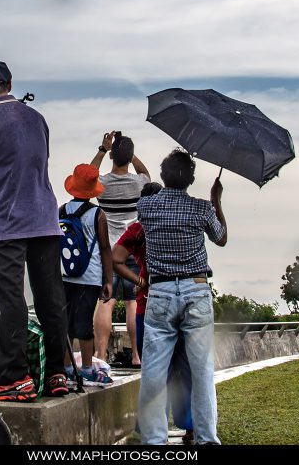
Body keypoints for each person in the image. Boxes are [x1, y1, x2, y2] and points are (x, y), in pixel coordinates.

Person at [0, 58, 70, 400]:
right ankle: (57, 373)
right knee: (51, 298)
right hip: (44, 217)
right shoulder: (37, 119)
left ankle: (13, 376)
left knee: (11, 299)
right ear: (9, 83)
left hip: (6, 223)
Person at [136, 149, 227, 445]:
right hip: (196, 290)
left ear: (163, 176)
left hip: (160, 292)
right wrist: (216, 201)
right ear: (191, 179)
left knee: (153, 373)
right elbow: (221, 237)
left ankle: (153, 440)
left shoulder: (146, 206)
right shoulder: (201, 208)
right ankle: (207, 439)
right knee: (201, 372)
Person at [114, 182, 194, 444]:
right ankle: (190, 425)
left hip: (148, 304)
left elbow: (115, 258)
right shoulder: (172, 224)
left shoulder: (138, 228)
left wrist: (140, 282)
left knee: (153, 372)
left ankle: (147, 427)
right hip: (182, 302)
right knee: (184, 368)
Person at [90, 132, 151, 367]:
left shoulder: (102, 184)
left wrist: (104, 149)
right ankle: (136, 355)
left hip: (109, 249)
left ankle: (101, 354)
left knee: (106, 301)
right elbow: (146, 173)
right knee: (132, 303)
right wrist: (130, 153)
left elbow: (89, 175)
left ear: (113, 157)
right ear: (129, 157)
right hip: (132, 247)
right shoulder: (138, 183)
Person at [59, 164, 114, 385]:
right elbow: (105, 248)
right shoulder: (97, 214)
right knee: (84, 325)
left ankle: (66, 367)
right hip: (89, 278)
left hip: (65, 275)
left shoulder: (61, 210)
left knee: (67, 324)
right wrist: (108, 280)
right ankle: (88, 369)